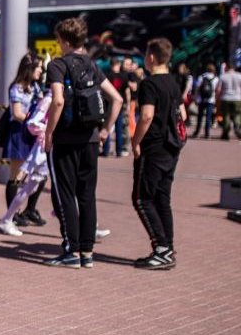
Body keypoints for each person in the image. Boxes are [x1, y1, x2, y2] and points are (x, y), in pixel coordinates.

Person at [43, 17, 123, 269]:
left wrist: (48, 133)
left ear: (65, 41)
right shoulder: (92, 65)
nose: (58, 45)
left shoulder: (58, 65)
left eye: (58, 41)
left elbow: (57, 101)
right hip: (90, 138)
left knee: (65, 193)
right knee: (87, 195)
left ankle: (71, 250)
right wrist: (106, 130)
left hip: (66, 139)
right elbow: (117, 99)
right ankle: (87, 252)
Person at [131, 38, 186, 270]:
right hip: (172, 147)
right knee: (162, 198)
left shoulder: (149, 84)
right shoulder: (174, 83)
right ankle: (167, 247)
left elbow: (146, 116)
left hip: (153, 147)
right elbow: (182, 113)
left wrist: (136, 141)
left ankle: (161, 248)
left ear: (151, 57)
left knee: (142, 198)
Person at [0, 54, 45, 231]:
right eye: (38, 67)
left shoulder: (36, 87)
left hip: (32, 134)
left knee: (40, 174)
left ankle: (29, 209)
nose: (41, 71)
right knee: (16, 176)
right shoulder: (17, 88)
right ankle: (13, 214)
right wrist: (34, 119)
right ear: (29, 68)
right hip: (19, 133)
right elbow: (17, 113)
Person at [0, 91, 52, 236]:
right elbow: (32, 123)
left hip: (56, 148)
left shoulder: (64, 94)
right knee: (27, 186)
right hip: (43, 150)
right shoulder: (48, 99)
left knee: (68, 186)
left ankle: (87, 225)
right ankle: (7, 218)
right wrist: (48, 131)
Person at [216, 63, 241, 140]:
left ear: (226, 68)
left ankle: (225, 132)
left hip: (225, 98)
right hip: (237, 98)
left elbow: (218, 89)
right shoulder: (239, 76)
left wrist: (217, 99)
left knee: (226, 115)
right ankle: (237, 126)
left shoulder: (223, 76)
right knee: (237, 114)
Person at [193, 64, 218, 138]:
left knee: (200, 116)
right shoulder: (215, 78)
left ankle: (197, 132)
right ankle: (207, 133)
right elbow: (216, 90)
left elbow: (197, 88)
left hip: (201, 99)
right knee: (208, 116)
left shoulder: (202, 77)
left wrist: (196, 97)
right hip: (211, 100)